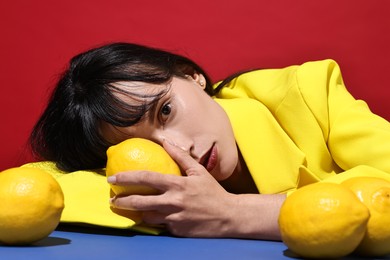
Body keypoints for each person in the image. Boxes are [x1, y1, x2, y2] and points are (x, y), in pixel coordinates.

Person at [29, 42, 390, 240]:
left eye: (165, 111)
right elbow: (38, 189)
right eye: (149, 146)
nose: (178, 148)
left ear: (193, 77)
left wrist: (235, 213)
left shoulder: (310, 94)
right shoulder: (153, 180)